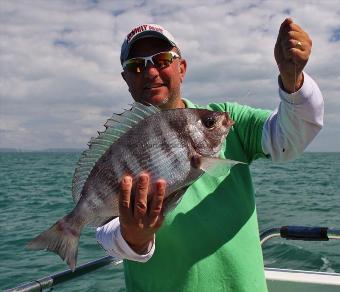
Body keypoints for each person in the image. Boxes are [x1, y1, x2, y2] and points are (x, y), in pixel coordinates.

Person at [96, 19, 324, 291]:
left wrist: (293, 80)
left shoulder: (225, 119)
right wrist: (132, 237)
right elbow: (103, 228)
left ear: (182, 68)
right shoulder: (122, 144)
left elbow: (290, 138)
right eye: (136, 66)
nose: (151, 71)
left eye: (162, 59)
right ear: (126, 79)